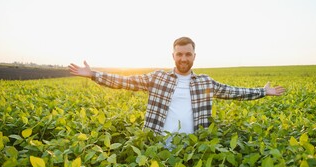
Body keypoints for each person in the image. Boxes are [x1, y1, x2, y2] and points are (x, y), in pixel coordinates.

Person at [69, 37, 285, 135]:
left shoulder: (205, 82)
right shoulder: (158, 78)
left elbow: (233, 92)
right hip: (157, 144)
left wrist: (262, 91)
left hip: (193, 144)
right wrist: (93, 75)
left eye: (187, 54)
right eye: (179, 54)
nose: (183, 58)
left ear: (194, 56)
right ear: (173, 55)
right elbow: (124, 81)